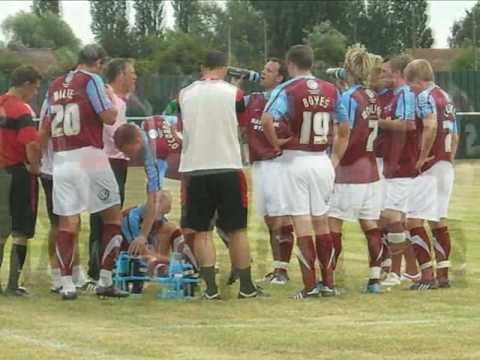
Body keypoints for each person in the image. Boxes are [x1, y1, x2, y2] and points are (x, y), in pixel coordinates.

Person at [261, 45, 349, 299]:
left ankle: (309, 286)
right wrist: (334, 159)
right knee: (322, 222)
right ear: (312, 63)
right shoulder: (332, 89)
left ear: (290, 65)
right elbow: (344, 127)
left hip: (295, 160)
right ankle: (328, 284)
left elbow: (267, 119)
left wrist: (276, 144)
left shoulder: (286, 89)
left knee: (301, 222)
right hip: (321, 159)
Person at [178, 50, 262, 300]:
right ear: (224, 68)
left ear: (202, 67)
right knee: (237, 230)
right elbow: (243, 123)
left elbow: (184, 125)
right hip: (227, 165)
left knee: (202, 230)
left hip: (195, 167)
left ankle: (210, 289)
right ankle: (246, 287)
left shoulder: (184, 93)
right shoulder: (234, 93)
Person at [45, 44, 125, 300]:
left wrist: (37, 159)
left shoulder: (55, 84)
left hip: (61, 157)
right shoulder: (92, 80)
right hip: (89, 154)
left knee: (67, 221)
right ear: (99, 63)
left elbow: (45, 125)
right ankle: (105, 279)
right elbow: (109, 116)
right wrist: (112, 100)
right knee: (113, 216)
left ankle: (67, 283)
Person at [327, 46, 384, 293]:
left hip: (349, 170)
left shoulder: (349, 97)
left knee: (332, 224)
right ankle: (374, 280)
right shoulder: (373, 96)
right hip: (371, 170)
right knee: (370, 225)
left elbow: (345, 132)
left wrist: (332, 164)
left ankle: (327, 280)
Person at [237, 58, 294, 285]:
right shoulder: (254, 99)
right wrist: (237, 83)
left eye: (268, 71)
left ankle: (283, 270)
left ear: (279, 77)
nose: (263, 73)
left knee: (282, 217)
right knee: (270, 219)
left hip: (278, 163)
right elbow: (232, 104)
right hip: (259, 164)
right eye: (263, 69)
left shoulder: (287, 100)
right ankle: (277, 268)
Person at [405, 59, 458, 289]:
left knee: (413, 220)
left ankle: (427, 275)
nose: (410, 89)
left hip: (430, 166)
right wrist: (449, 158)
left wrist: (421, 156)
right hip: (445, 164)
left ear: (418, 80)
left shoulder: (425, 96)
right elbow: (454, 134)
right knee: (438, 219)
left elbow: (430, 126)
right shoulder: (445, 97)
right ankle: (443, 273)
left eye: (411, 85)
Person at [88, 58, 137, 284]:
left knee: (107, 217)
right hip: (108, 162)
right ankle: (99, 268)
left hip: (115, 162)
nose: (135, 77)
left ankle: (102, 266)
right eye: (131, 72)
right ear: (120, 76)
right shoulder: (110, 100)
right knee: (105, 218)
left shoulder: (118, 101)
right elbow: (115, 135)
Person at [377, 54, 420, 287]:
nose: (384, 75)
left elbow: (408, 124)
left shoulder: (405, 93)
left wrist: (379, 122)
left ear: (398, 73)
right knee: (393, 218)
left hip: (401, 162)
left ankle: (396, 272)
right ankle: (411, 270)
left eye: (386, 71)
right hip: (393, 162)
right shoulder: (395, 95)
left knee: (393, 217)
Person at [0, 65, 42, 296]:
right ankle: (13, 285)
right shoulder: (21, 110)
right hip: (17, 173)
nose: (35, 92)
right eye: (34, 88)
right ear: (25, 84)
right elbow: (31, 144)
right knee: (20, 230)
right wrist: (34, 167)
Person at [37, 100, 86, 292]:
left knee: (75, 221)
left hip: (72, 167)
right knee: (58, 224)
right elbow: (43, 132)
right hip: (54, 169)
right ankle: (57, 272)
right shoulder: (53, 99)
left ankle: (75, 268)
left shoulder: (74, 96)